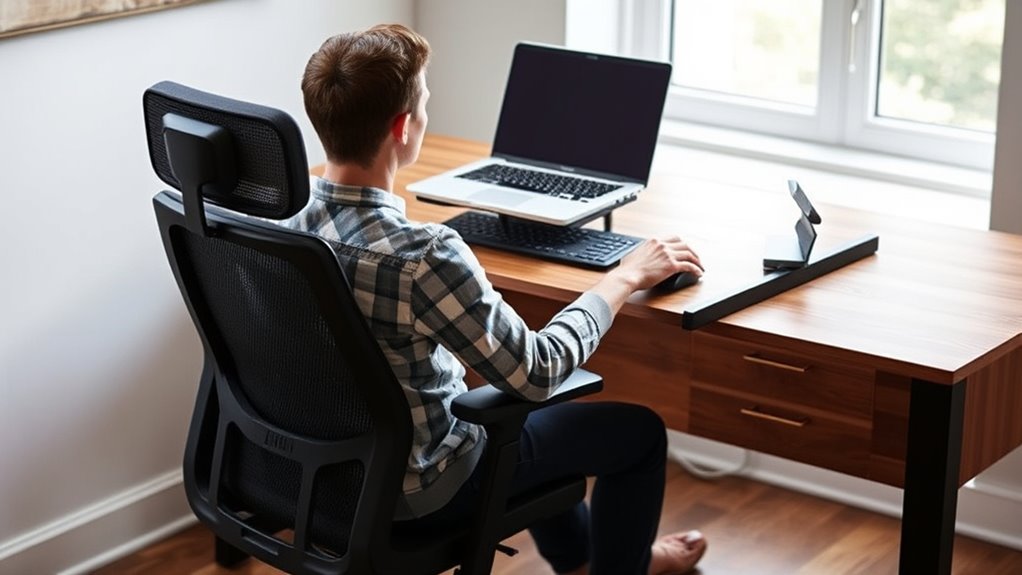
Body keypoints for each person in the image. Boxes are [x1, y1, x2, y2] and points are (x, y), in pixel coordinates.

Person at [292, 23, 708, 575]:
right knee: (637, 434)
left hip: (323, 477)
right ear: (403, 127)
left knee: (523, 422)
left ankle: (580, 559)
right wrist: (623, 278)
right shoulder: (425, 256)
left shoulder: (283, 226)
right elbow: (536, 373)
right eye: (425, 102)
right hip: (424, 490)